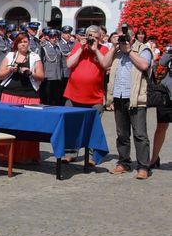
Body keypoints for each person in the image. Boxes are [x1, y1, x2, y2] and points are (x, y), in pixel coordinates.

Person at [104, 26, 153, 179]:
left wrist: (129, 51)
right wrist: (113, 47)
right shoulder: (117, 52)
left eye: (122, 37)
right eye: (118, 37)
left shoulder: (143, 49)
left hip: (136, 98)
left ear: (131, 38)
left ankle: (144, 166)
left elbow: (144, 65)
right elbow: (105, 64)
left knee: (140, 134)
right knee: (122, 134)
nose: (120, 40)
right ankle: (124, 162)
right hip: (119, 96)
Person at [61, 25, 111, 163]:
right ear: (85, 36)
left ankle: (91, 156)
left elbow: (105, 65)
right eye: (90, 37)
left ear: (100, 38)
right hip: (74, 94)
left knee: (93, 127)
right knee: (71, 124)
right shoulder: (78, 46)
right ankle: (70, 153)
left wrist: (95, 50)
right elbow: (69, 64)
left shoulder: (104, 49)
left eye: (95, 38)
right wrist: (81, 49)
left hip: (95, 97)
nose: (92, 40)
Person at [0, 32, 45, 163]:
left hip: (29, 96)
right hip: (10, 95)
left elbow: (41, 76)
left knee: (28, 127)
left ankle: (27, 155)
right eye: (21, 41)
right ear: (16, 44)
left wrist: (30, 73)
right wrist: (10, 70)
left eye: (26, 41)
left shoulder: (35, 57)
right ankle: (6, 154)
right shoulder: (10, 56)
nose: (23, 44)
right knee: (8, 125)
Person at [150, 45, 171, 169]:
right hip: (166, 94)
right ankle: (154, 158)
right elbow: (162, 63)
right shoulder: (170, 53)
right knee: (161, 126)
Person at [40, 29, 64, 106]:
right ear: (48, 38)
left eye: (56, 37)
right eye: (52, 37)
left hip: (57, 76)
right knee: (47, 97)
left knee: (56, 96)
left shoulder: (58, 47)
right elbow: (41, 61)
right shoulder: (44, 47)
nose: (54, 39)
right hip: (48, 76)